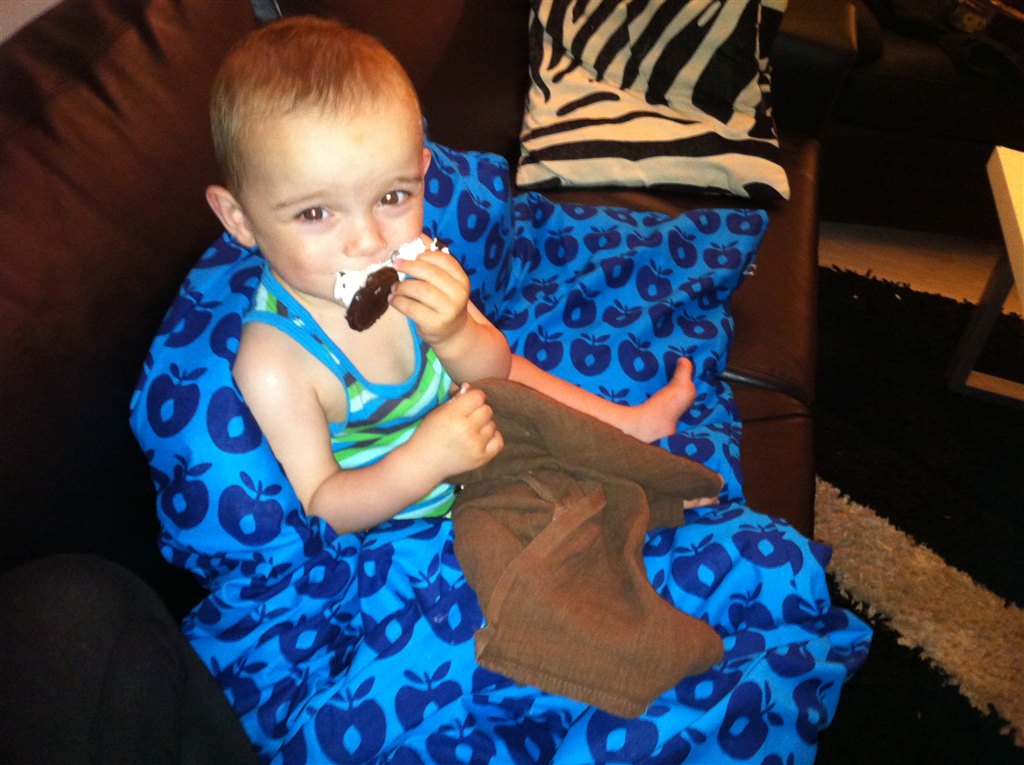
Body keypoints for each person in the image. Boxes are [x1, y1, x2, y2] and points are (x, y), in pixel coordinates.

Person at [204, 16, 711, 536]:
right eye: (315, 213)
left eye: (392, 197)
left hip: (478, 434)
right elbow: (321, 505)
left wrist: (456, 334)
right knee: (575, 536)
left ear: (422, 173)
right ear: (239, 219)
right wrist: (424, 461)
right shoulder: (276, 362)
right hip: (412, 522)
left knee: (521, 385)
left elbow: (495, 370)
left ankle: (629, 424)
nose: (369, 241)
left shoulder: (414, 257)